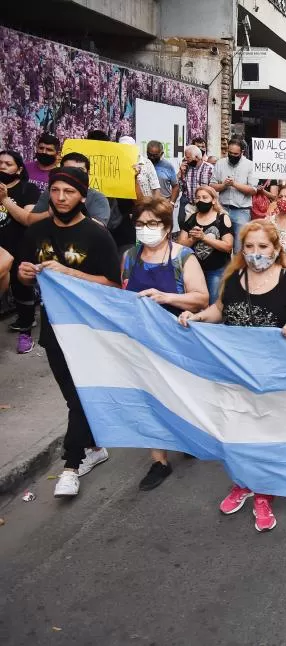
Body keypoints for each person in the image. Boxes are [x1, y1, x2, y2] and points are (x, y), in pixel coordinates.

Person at [178, 220, 286, 531]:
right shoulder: (233, 279)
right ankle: (243, 483)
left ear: (275, 249)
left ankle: (264, 491)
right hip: (234, 373)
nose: (256, 253)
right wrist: (198, 316)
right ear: (241, 250)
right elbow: (220, 309)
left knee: (266, 434)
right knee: (237, 431)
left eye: (263, 247)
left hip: (274, 376)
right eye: (249, 247)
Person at [16, 166, 121, 498]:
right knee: (71, 395)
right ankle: (95, 447)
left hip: (88, 329)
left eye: (69, 192)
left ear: (82, 196)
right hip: (52, 328)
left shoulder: (97, 235)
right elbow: (24, 276)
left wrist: (69, 273)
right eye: (56, 191)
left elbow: (113, 285)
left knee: (80, 395)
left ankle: (70, 466)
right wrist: (25, 274)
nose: (61, 198)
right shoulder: (37, 231)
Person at [121, 197, 208, 490]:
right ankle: (159, 460)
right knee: (149, 397)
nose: (146, 229)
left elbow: (202, 298)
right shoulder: (129, 258)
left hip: (176, 340)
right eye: (141, 224)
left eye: (153, 224)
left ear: (167, 226)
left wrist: (167, 297)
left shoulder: (184, 257)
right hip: (142, 340)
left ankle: (186, 435)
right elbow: (123, 296)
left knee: (180, 395)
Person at [0, 150, 42, 351]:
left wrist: (5, 199)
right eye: (0, 163)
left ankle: (26, 331)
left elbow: (27, 218)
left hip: (20, 246)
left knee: (21, 287)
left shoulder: (28, 189)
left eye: (8, 164)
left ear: (18, 168)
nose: (2, 167)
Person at [178, 185, 233, 303]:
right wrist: (192, 239)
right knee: (196, 304)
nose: (200, 201)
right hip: (194, 270)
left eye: (204, 197)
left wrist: (204, 238)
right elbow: (180, 245)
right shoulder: (191, 219)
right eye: (197, 198)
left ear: (213, 200)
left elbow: (228, 246)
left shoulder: (222, 218)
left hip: (216, 270)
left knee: (214, 304)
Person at [31, 152, 112, 228]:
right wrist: (50, 214)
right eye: (69, 170)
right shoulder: (50, 192)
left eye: (80, 171)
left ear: (88, 173)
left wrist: (74, 214)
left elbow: (100, 228)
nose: (61, 197)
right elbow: (31, 220)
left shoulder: (97, 197)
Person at [211, 139, 258, 253]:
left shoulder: (250, 165)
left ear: (242, 152)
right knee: (221, 246)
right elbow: (212, 185)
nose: (232, 155)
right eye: (230, 153)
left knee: (239, 248)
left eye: (235, 154)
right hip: (222, 209)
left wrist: (234, 184)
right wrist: (224, 185)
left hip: (241, 211)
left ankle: (237, 270)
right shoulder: (220, 163)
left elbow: (253, 190)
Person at [177, 145, 213, 226]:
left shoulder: (209, 168)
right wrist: (181, 173)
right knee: (183, 224)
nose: (186, 159)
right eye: (185, 157)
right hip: (189, 203)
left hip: (203, 204)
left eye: (188, 157)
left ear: (197, 157)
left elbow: (212, 189)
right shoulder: (186, 168)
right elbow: (180, 187)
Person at [118, 136, 160, 201]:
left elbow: (156, 188)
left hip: (144, 206)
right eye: (122, 149)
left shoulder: (146, 163)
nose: (125, 151)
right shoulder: (117, 163)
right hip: (122, 205)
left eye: (128, 148)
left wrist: (155, 208)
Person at [146, 140, 180, 214]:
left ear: (161, 154)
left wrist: (171, 203)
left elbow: (176, 186)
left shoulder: (168, 166)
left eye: (155, 155)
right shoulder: (142, 164)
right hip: (146, 206)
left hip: (163, 205)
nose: (152, 157)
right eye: (149, 154)